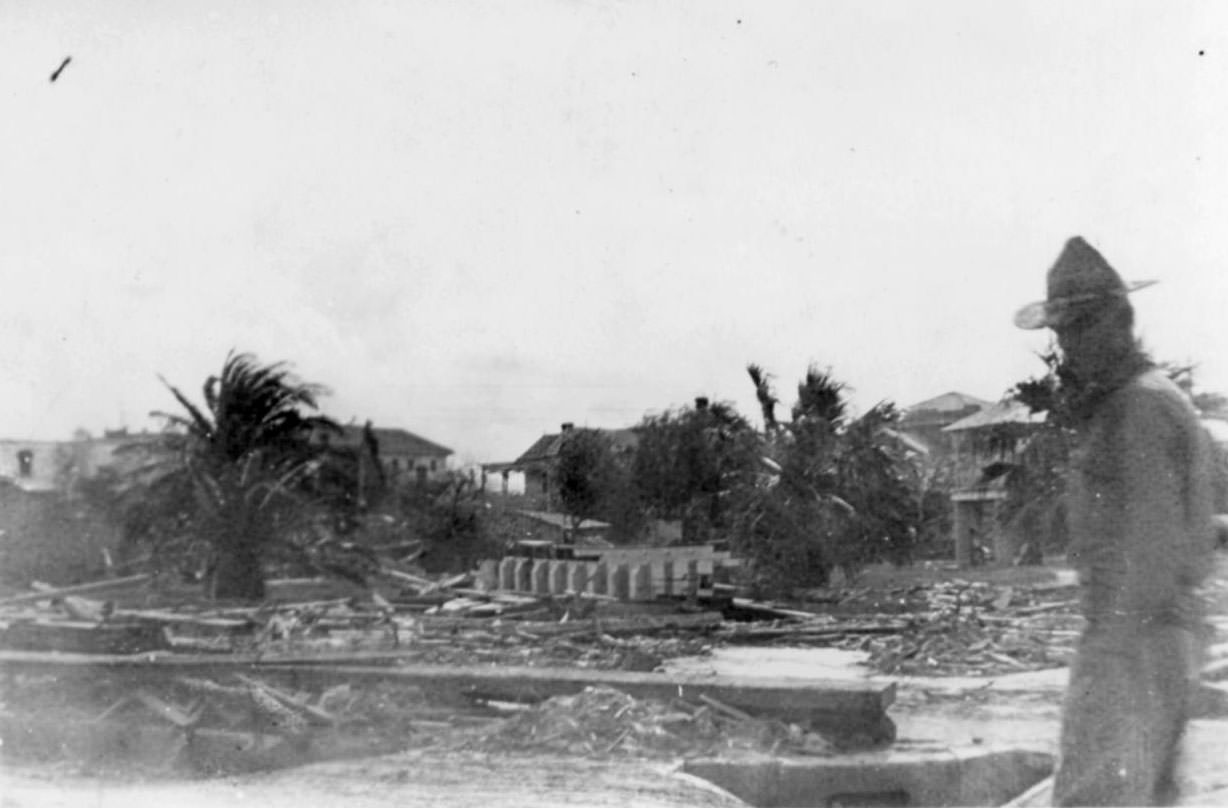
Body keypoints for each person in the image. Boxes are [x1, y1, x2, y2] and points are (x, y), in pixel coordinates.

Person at [1014, 236, 1215, 806]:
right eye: (1063, 332)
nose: (1070, 347)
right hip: (1157, 640)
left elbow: (1151, 544)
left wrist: (1113, 652)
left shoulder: (1138, 408)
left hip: (1133, 641)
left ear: (1121, 320)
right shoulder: (1147, 399)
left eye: (1082, 328)